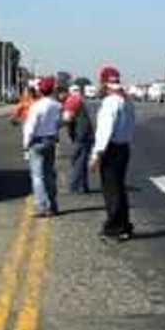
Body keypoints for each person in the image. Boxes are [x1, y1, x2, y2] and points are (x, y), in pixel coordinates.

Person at [90, 66, 135, 241]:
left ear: (104, 83)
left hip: (111, 149)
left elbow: (104, 131)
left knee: (111, 190)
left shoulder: (110, 102)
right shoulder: (127, 101)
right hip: (124, 147)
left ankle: (114, 228)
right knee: (120, 188)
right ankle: (124, 225)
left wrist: (96, 154)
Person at [22, 76, 62, 217]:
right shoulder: (57, 106)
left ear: (40, 91)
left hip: (37, 141)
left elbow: (30, 127)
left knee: (38, 176)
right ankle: (52, 205)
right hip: (50, 140)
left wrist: (25, 145)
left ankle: (41, 206)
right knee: (49, 174)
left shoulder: (36, 106)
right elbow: (58, 123)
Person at [62, 84, 95, 193]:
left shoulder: (71, 101)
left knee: (76, 161)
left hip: (81, 135)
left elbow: (67, 119)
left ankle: (74, 186)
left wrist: (54, 126)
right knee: (82, 161)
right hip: (87, 134)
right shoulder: (81, 101)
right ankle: (83, 186)